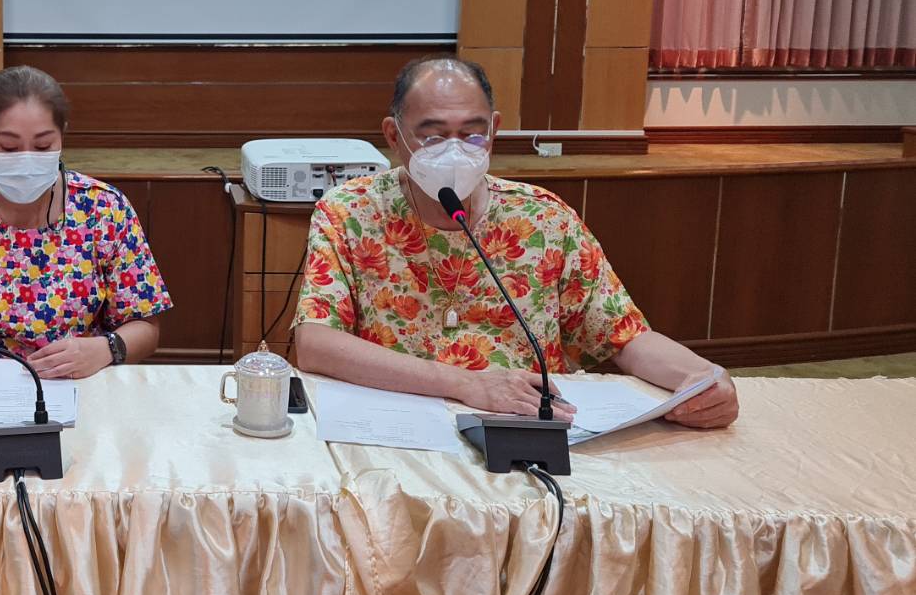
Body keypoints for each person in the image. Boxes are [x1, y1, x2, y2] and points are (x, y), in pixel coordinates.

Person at [292, 56, 738, 429]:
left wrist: (704, 377)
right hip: (398, 426)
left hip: (526, 431)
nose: (455, 150)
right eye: (433, 135)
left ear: (495, 129)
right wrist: (466, 383)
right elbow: (314, 342)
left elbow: (624, 336)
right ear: (394, 136)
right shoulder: (351, 212)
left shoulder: (544, 218)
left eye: (472, 133)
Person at [0, 66, 171, 379]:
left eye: (43, 146)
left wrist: (107, 348)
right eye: (9, 148)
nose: (26, 159)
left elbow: (146, 327)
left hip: (79, 382)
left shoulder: (103, 209)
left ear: (62, 137)